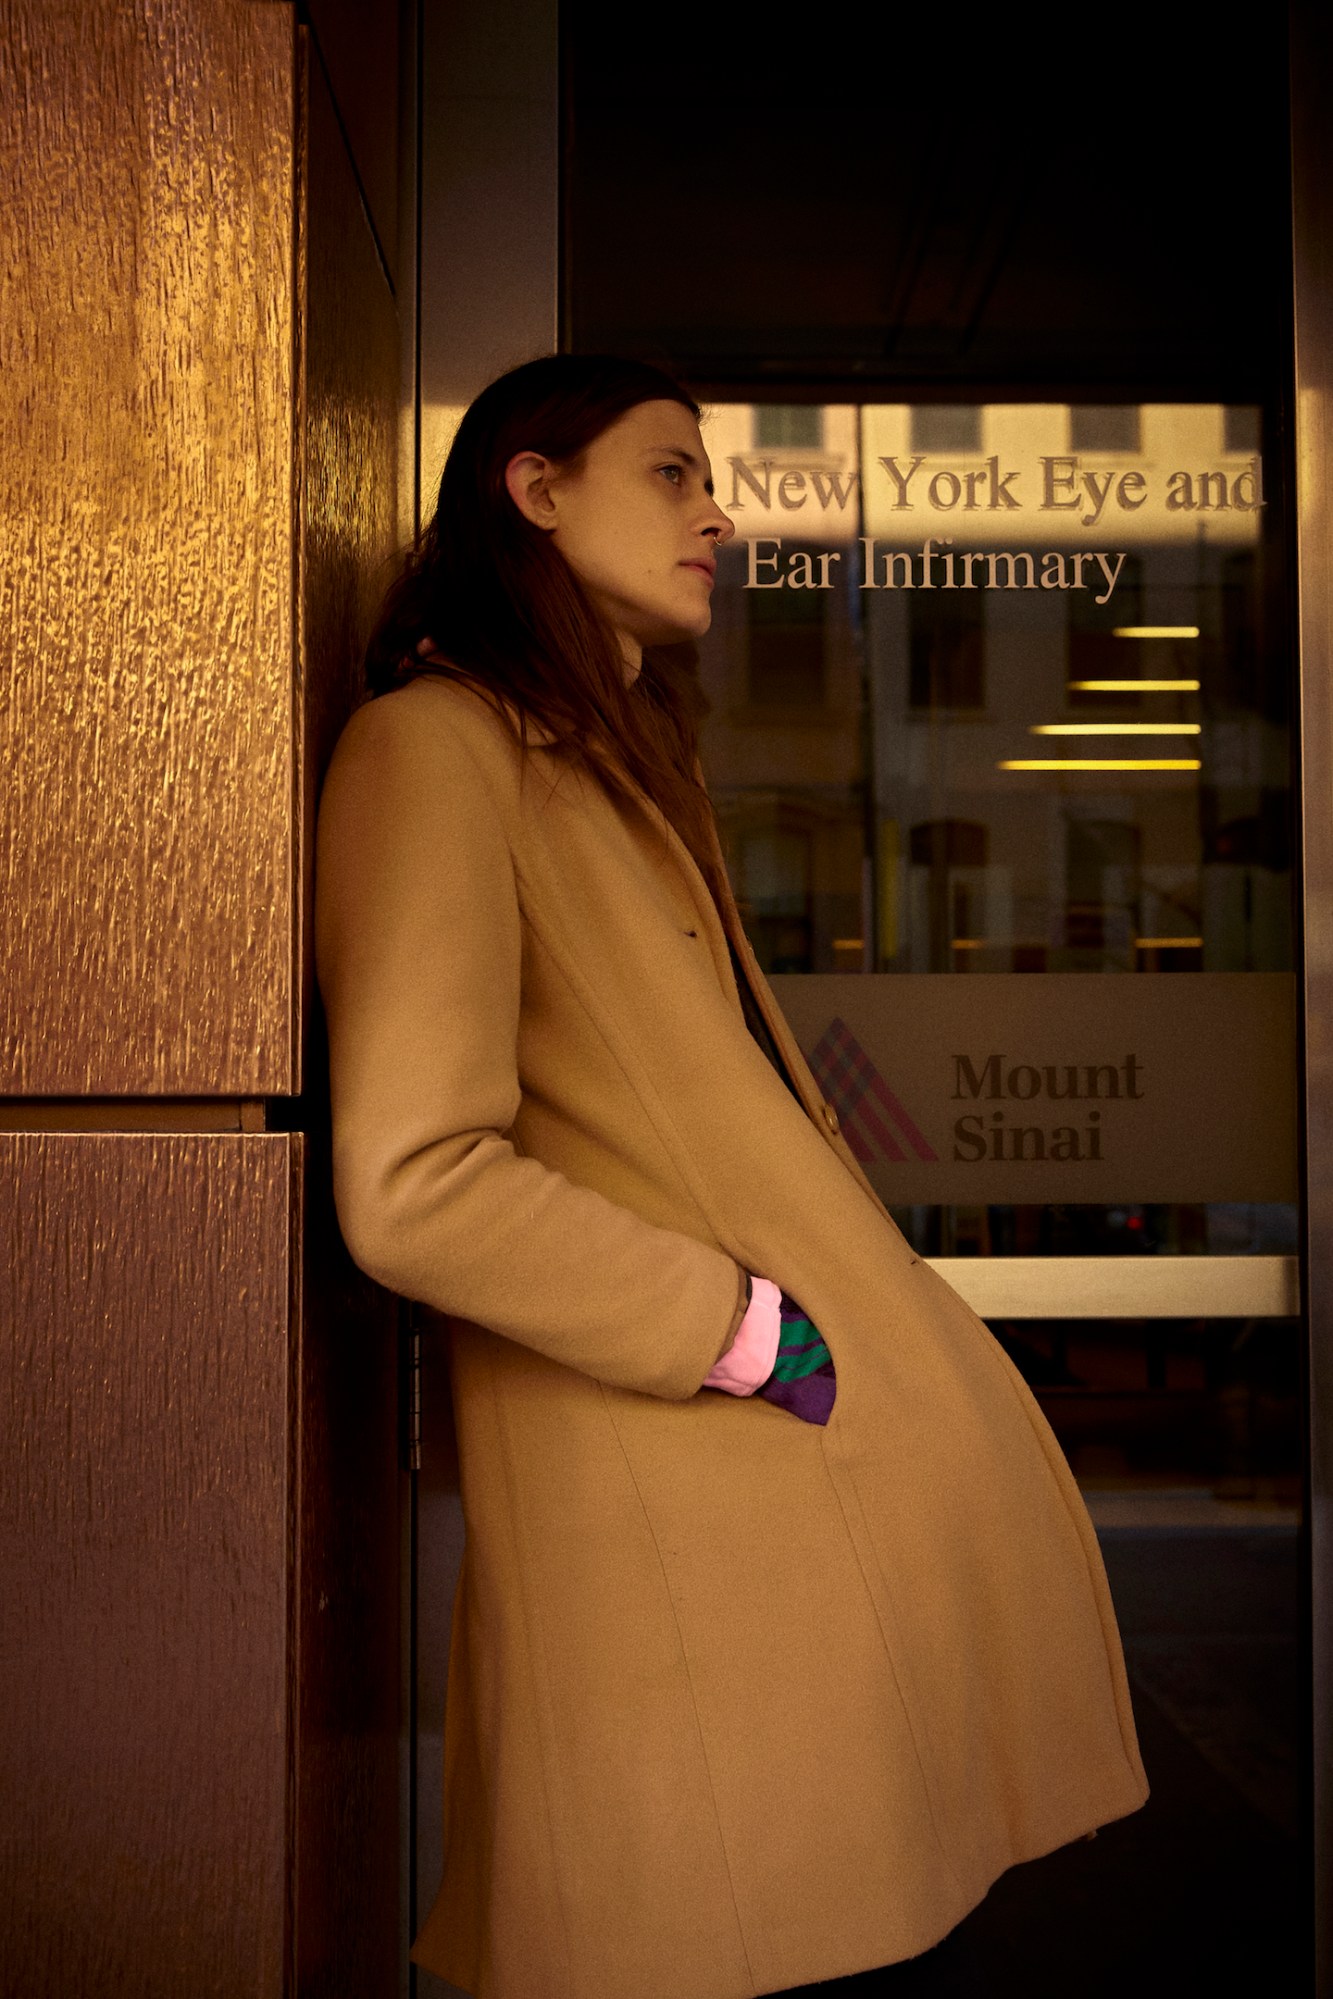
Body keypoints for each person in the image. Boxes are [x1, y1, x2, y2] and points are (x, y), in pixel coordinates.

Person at [313, 355, 1149, 1999]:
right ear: (533, 491)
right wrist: (751, 1335)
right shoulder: (436, 751)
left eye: (713, 480)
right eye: (672, 473)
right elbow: (412, 1178)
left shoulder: (618, 765)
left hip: (766, 1521)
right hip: (690, 1515)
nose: (718, 514)